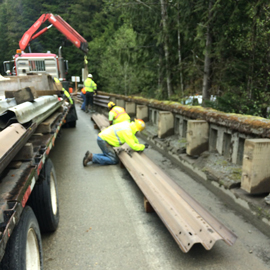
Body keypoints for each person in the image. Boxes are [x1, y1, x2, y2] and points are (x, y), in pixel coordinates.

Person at [83, 119, 148, 166]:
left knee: (108, 155)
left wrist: (140, 144)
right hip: (103, 140)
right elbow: (133, 145)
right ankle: (92, 157)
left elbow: (133, 138)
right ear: (137, 130)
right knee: (113, 160)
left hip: (102, 138)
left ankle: (91, 155)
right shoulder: (128, 132)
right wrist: (143, 147)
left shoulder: (128, 125)